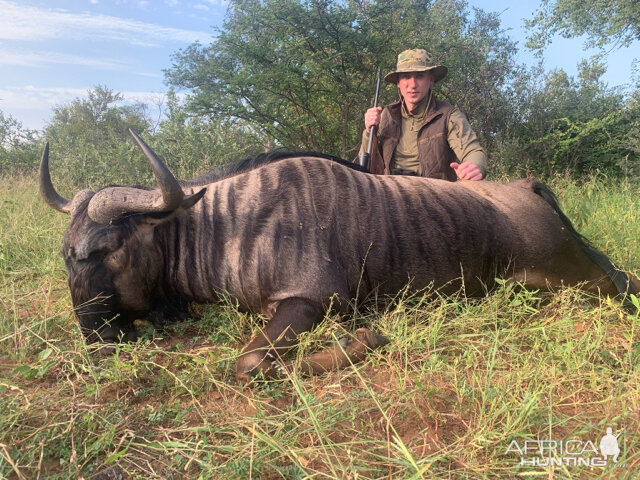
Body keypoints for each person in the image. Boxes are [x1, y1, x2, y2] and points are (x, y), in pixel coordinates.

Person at [361, 49, 487, 181]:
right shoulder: (385, 115)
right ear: (398, 82)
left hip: (433, 196)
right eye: (406, 77)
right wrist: (369, 131)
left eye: (420, 76)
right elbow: (365, 165)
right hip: (391, 193)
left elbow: (473, 151)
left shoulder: (448, 115)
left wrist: (474, 167)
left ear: (430, 79)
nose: (413, 85)